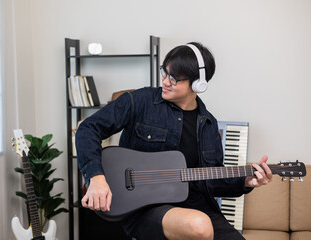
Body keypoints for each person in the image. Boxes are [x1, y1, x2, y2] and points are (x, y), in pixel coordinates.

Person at [75, 42, 272, 240]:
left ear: (198, 84)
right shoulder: (140, 101)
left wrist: (247, 181)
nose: (165, 81)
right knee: (199, 226)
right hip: (145, 209)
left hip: (198, 207)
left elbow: (213, 183)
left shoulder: (208, 125)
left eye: (174, 78)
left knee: (205, 224)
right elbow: (88, 128)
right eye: (165, 72)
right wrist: (96, 177)